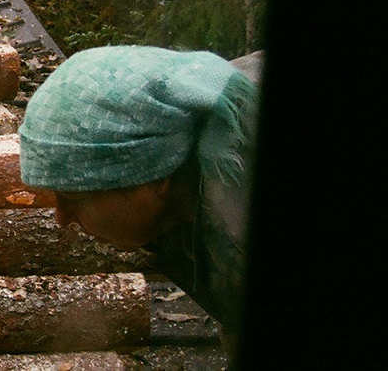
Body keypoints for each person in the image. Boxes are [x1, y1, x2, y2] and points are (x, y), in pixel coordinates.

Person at [18, 45, 262, 363]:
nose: (61, 218)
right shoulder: (184, 119)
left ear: (152, 176)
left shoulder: (240, 235)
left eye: (76, 198)